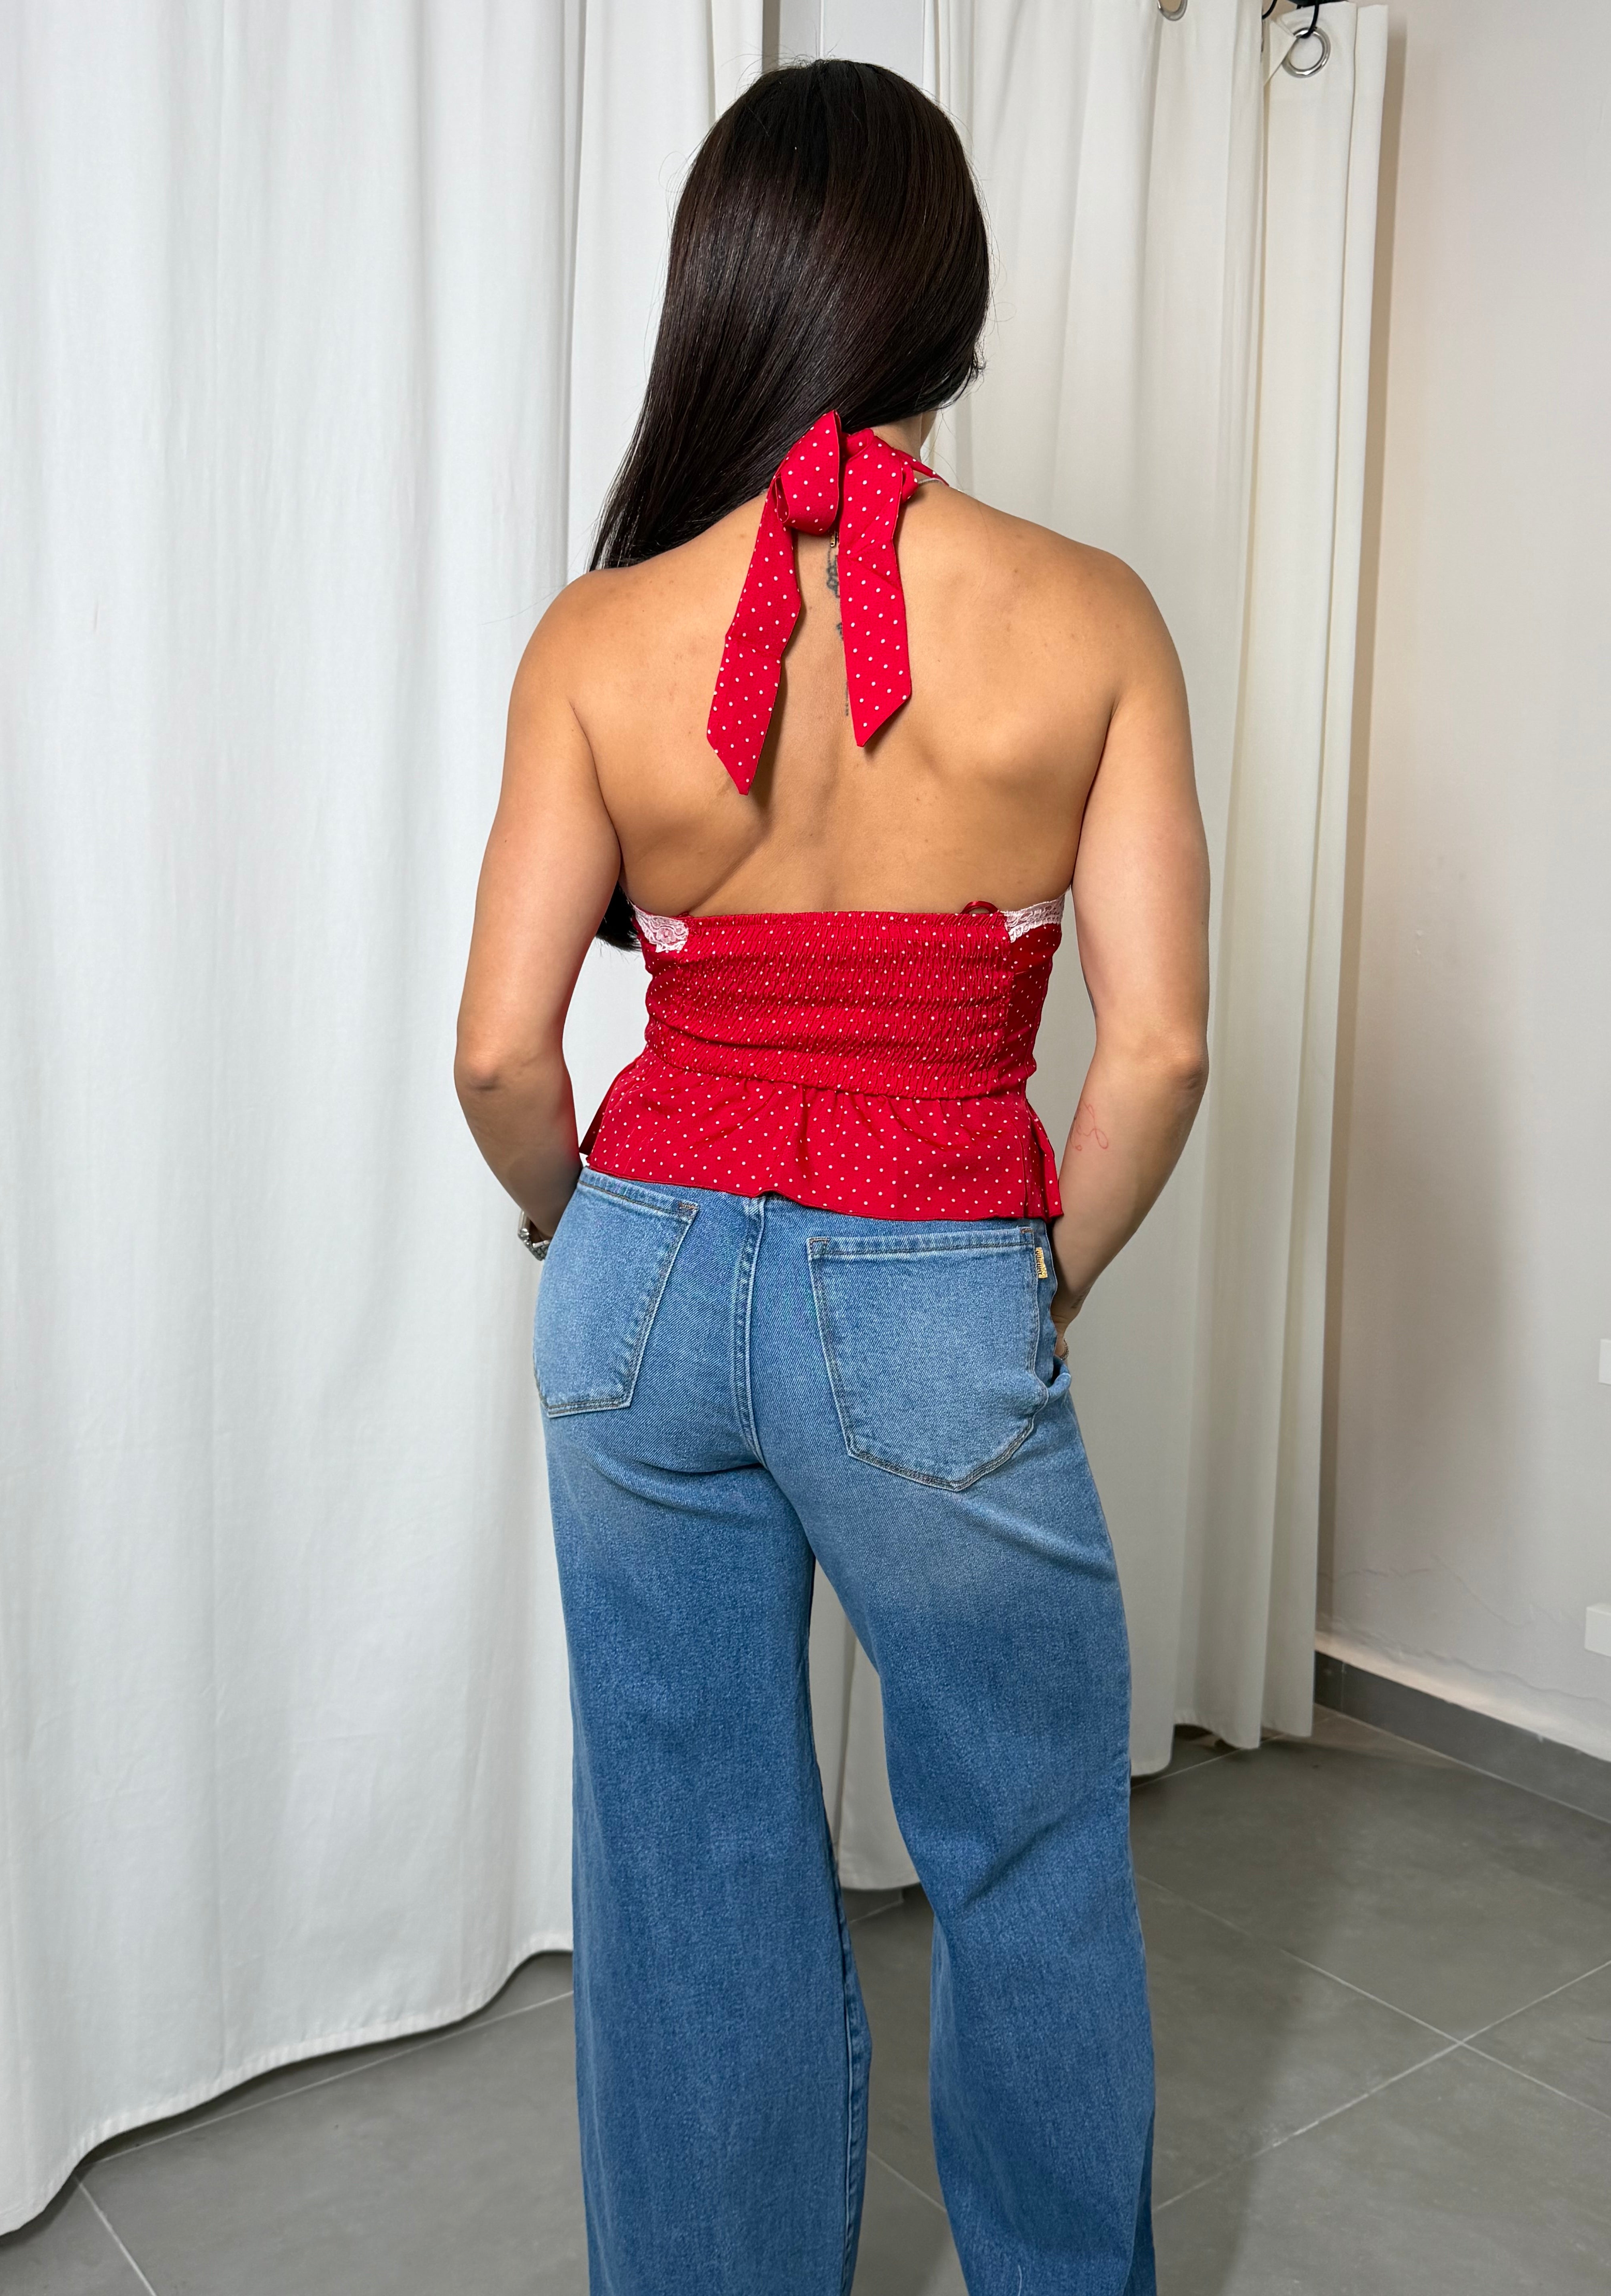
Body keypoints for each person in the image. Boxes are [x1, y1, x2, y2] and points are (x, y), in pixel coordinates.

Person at [455, 57, 1208, 2296]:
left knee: (689, 1869)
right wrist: (1033, 1281)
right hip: (937, 1274)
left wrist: (574, 1232)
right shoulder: (1091, 619)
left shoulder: (600, 639)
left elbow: (506, 1051)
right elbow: (1155, 1047)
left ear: (735, 290)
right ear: (950, 302)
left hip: (642, 1291)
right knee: (1033, 1849)